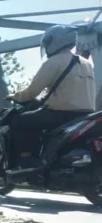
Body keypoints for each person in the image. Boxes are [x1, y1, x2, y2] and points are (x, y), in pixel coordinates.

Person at [6, 25, 95, 172]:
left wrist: (15, 96)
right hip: (85, 116)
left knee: (20, 121)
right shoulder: (87, 63)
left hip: (59, 114)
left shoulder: (53, 62)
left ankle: (27, 160)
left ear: (56, 41)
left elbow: (31, 92)